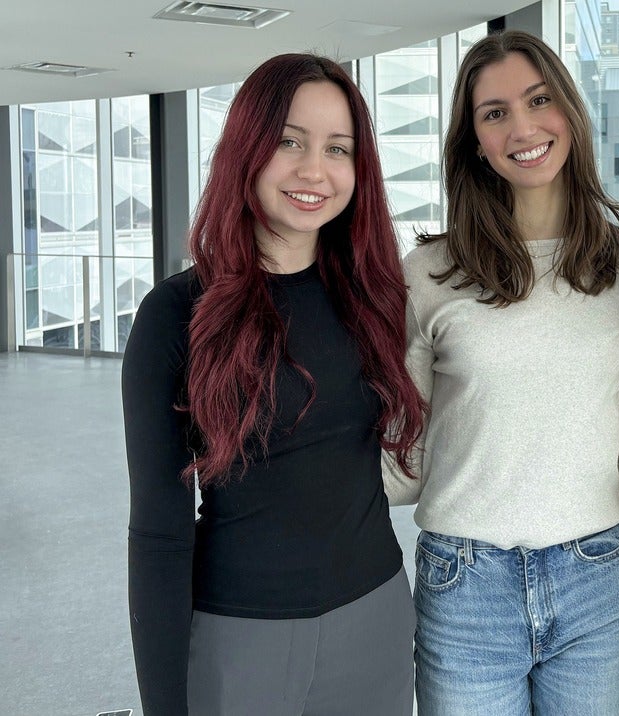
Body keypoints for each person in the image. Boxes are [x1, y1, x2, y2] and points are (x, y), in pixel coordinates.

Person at [122, 53, 423, 716]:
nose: (314, 170)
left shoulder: (375, 296)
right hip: (240, 640)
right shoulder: (176, 314)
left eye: (338, 148)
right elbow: (159, 536)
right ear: (248, 148)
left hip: (375, 618)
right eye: (290, 141)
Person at [382, 30, 619, 715]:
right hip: (465, 583)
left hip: (597, 578)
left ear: (569, 111)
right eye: (495, 113)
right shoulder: (428, 275)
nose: (522, 127)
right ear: (475, 144)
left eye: (539, 100)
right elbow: (403, 452)